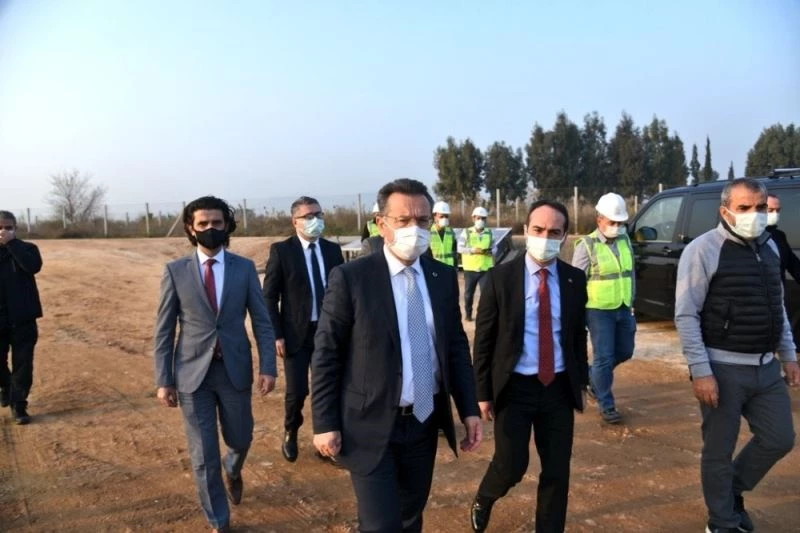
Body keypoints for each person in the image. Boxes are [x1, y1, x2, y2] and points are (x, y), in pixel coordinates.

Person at [311, 178, 482, 533]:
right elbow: (327, 354)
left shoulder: (441, 277)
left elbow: (455, 347)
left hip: (423, 421)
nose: (414, 229)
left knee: (410, 516)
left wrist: (468, 409)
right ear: (381, 224)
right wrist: (325, 423)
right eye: (403, 220)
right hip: (369, 423)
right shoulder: (352, 278)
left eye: (422, 220)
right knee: (380, 525)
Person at [675, 178, 799, 533]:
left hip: (765, 367)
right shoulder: (703, 249)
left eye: (760, 208)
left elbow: (777, 306)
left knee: (779, 438)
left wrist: (788, 354)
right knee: (719, 451)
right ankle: (722, 521)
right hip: (722, 368)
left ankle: (729, 492)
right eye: (744, 208)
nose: (753, 215)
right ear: (725, 211)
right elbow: (686, 314)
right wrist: (701, 371)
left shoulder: (770, 248)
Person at [153, 196, 277, 533]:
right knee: (203, 454)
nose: (211, 228)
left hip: (234, 370)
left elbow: (262, 321)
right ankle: (219, 521)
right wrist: (164, 379)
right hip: (192, 375)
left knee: (241, 437)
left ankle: (233, 467)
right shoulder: (175, 271)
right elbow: (164, 329)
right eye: (203, 223)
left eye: (217, 223)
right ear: (191, 229)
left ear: (227, 226)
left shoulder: (244, 268)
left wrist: (268, 366)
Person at [470, 200, 588, 533]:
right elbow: (484, 340)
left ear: (564, 236)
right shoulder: (500, 279)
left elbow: (577, 335)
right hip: (515, 388)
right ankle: (485, 496)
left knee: (557, 471)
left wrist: (581, 380)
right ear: (526, 230)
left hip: (558, 388)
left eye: (554, 231)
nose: (545, 237)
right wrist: (482, 392)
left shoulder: (574, 279)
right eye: (538, 229)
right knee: (511, 465)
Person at [262, 196, 344, 464]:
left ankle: (327, 442)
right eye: (308, 216)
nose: (315, 220)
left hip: (329, 332)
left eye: (318, 215)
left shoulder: (333, 251)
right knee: (297, 391)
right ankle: (291, 430)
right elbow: (269, 297)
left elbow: (343, 292)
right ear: (295, 221)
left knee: (330, 387)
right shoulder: (282, 251)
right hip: (296, 334)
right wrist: (276, 333)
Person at [572, 192, 635, 425]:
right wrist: (577, 315)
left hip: (623, 307)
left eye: (620, 222)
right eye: (612, 222)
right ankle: (606, 404)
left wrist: (632, 301)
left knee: (625, 351)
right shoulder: (586, 245)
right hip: (598, 311)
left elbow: (630, 273)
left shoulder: (625, 240)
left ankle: (593, 376)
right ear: (599, 219)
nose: (617, 227)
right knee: (604, 357)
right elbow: (576, 283)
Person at [0, 211, 43, 425]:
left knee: (23, 364)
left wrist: (12, 244)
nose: (3, 231)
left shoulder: (28, 249)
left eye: (8, 227)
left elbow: (32, 266)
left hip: (23, 318)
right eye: (0, 228)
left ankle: (19, 405)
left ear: (15, 229)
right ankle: (6, 385)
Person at [459, 206, 494, 321]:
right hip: (470, 269)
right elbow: (460, 248)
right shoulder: (466, 233)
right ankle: (468, 314)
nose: (481, 221)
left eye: (483, 218)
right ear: (473, 218)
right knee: (469, 294)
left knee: (486, 295)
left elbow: (495, 247)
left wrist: (491, 251)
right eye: (478, 218)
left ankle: (482, 315)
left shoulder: (489, 233)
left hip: (485, 269)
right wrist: (473, 250)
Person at [429, 201, 457, 267]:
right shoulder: (428, 232)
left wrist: (455, 268)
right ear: (435, 216)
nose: (444, 219)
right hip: (434, 267)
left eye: (446, 216)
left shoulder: (451, 232)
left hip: (449, 267)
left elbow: (454, 251)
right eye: (441, 216)